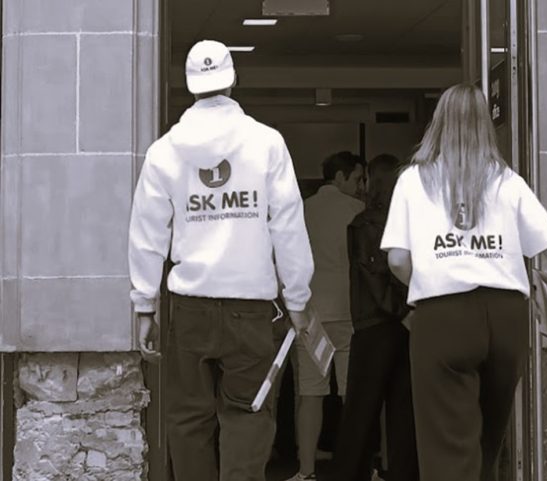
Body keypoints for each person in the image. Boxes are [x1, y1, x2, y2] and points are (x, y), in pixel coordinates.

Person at [128, 39, 314, 481]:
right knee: (249, 415)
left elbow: (147, 232)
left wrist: (144, 304)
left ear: (190, 86)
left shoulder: (165, 151)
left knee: (188, 420)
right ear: (233, 79)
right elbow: (286, 224)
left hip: (189, 309)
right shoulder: (267, 143)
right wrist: (299, 298)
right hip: (250, 309)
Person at [380, 84, 547, 481]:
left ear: (438, 122)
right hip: (506, 316)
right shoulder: (507, 180)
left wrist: (429, 280)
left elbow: (397, 258)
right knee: (487, 438)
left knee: (448, 443)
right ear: (486, 124)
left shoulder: (414, 180)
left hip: (442, 316)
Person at [331, 153, 419, 481]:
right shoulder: (411, 223)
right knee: (403, 412)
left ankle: (350, 474)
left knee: (360, 411)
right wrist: (409, 311)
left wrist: (398, 312)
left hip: (373, 324)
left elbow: (373, 277)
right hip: (406, 324)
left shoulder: (363, 224)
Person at [288, 151, 366, 481]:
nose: (362, 186)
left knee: (310, 393)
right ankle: (356, 466)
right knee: (354, 395)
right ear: (340, 178)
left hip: (312, 314)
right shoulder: (358, 212)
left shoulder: (302, 212)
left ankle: (306, 470)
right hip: (351, 313)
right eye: (358, 179)